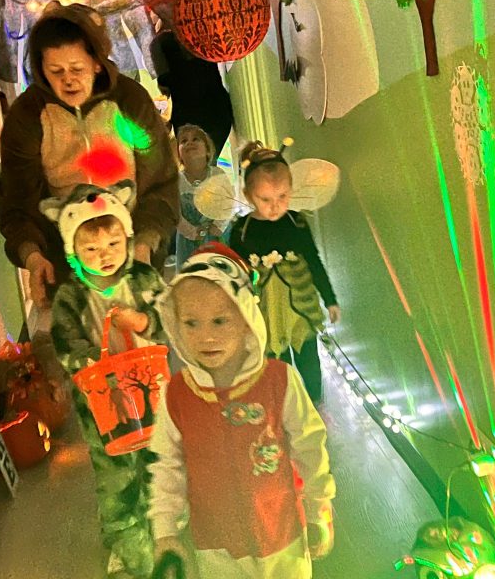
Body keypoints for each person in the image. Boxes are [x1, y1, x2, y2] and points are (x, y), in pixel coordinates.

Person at [149, 244, 335, 579]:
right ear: (175, 324)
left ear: (247, 320)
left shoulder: (279, 381)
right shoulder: (176, 394)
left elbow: (309, 446)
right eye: (191, 323)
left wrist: (317, 508)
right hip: (216, 547)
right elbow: (166, 465)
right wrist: (165, 531)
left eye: (220, 321)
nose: (206, 337)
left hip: (283, 537)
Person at [0, 2, 179, 310]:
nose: (68, 80)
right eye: (56, 71)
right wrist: (32, 256)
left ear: (96, 63)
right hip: (67, 269)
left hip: (134, 256)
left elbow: (161, 182)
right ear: (41, 69)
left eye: (77, 69)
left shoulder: (130, 100)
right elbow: (16, 201)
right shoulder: (27, 116)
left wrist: (145, 243)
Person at [38, 181, 167, 579]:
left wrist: (144, 321)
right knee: (116, 474)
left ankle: (163, 524)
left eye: (112, 244)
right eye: (91, 249)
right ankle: (125, 538)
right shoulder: (71, 296)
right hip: (103, 406)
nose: (104, 255)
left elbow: (174, 320)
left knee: (159, 460)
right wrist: (94, 362)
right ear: (73, 252)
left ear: (126, 237)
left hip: (152, 393)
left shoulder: (144, 279)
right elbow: (65, 341)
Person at [228, 142, 340, 404]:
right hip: (265, 309)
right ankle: (282, 406)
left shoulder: (296, 223)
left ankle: (314, 402)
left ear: (292, 190)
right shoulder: (242, 230)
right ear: (248, 195)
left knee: (307, 356)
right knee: (274, 362)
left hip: (299, 308)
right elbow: (235, 274)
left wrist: (330, 299)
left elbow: (313, 260)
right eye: (265, 199)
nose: (275, 207)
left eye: (283, 197)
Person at [145, 0, 235, 156]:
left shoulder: (159, 44)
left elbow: (165, 86)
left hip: (187, 113)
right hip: (216, 104)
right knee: (209, 154)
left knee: (197, 159)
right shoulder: (199, 31)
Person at [175, 124, 231, 267]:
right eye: (184, 141)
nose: (189, 143)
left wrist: (218, 226)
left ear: (207, 150)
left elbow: (227, 202)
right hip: (188, 239)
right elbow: (175, 213)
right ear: (179, 154)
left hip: (218, 234)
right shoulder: (176, 180)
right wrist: (192, 232)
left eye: (196, 139)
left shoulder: (217, 174)